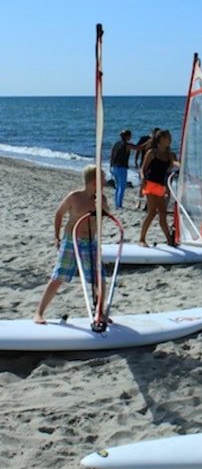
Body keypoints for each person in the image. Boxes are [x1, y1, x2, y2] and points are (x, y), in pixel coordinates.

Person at [33, 165, 109, 324]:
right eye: (103, 179)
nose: (106, 182)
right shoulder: (74, 197)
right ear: (94, 182)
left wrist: (101, 204)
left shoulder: (101, 199)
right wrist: (57, 237)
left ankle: (100, 312)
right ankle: (39, 312)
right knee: (59, 276)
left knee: (99, 278)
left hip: (91, 242)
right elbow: (59, 214)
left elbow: (107, 215)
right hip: (72, 239)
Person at [139, 129, 179, 247]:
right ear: (161, 139)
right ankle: (141, 239)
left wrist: (184, 166)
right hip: (150, 184)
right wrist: (142, 178)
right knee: (152, 212)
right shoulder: (152, 153)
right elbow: (143, 169)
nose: (170, 140)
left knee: (162, 213)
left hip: (161, 185)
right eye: (168, 138)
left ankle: (169, 240)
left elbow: (175, 163)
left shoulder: (170, 155)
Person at [110, 129, 141, 209]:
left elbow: (112, 155)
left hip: (114, 167)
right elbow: (138, 148)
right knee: (122, 187)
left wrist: (111, 166)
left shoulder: (116, 144)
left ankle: (117, 204)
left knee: (117, 187)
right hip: (121, 168)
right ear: (128, 136)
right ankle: (119, 205)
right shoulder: (127, 145)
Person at [134, 127, 160, 209]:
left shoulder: (157, 142)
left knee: (150, 185)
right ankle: (139, 203)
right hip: (144, 164)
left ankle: (147, 204)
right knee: (142, 184)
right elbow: (138, 149)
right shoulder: (144, 138)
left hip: (154, 166)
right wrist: (136, 160)